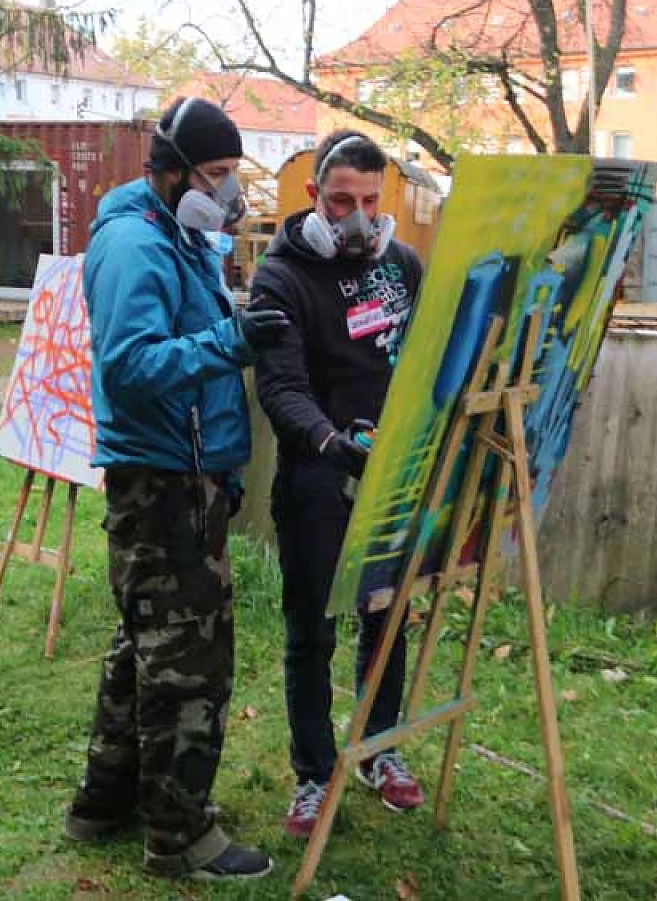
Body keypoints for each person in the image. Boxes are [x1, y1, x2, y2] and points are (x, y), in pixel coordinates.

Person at [65, 97, 289, 881]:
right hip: (162, 477)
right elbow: (129, 367)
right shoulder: (135, 244)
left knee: (145, 644)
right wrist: (231, 340)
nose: (228, 190)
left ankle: (104, 802)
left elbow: (179, 337)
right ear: (172, 170)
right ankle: (180, 834)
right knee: (189, 662)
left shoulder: (177, 234)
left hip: (184, 468)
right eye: (217, 173)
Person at [251, 129, 425, 839]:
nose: (357, 218)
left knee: (386, 617)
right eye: (342, 201)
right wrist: (331, 442)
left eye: (370, 201)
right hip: (317, 474)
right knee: (311, 631)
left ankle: (378, 749)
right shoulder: (280, 276)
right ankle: (314, 771)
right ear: (313, 195)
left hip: (389, 476)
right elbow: (280, 387)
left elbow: (426, 360)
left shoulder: (402, 265)